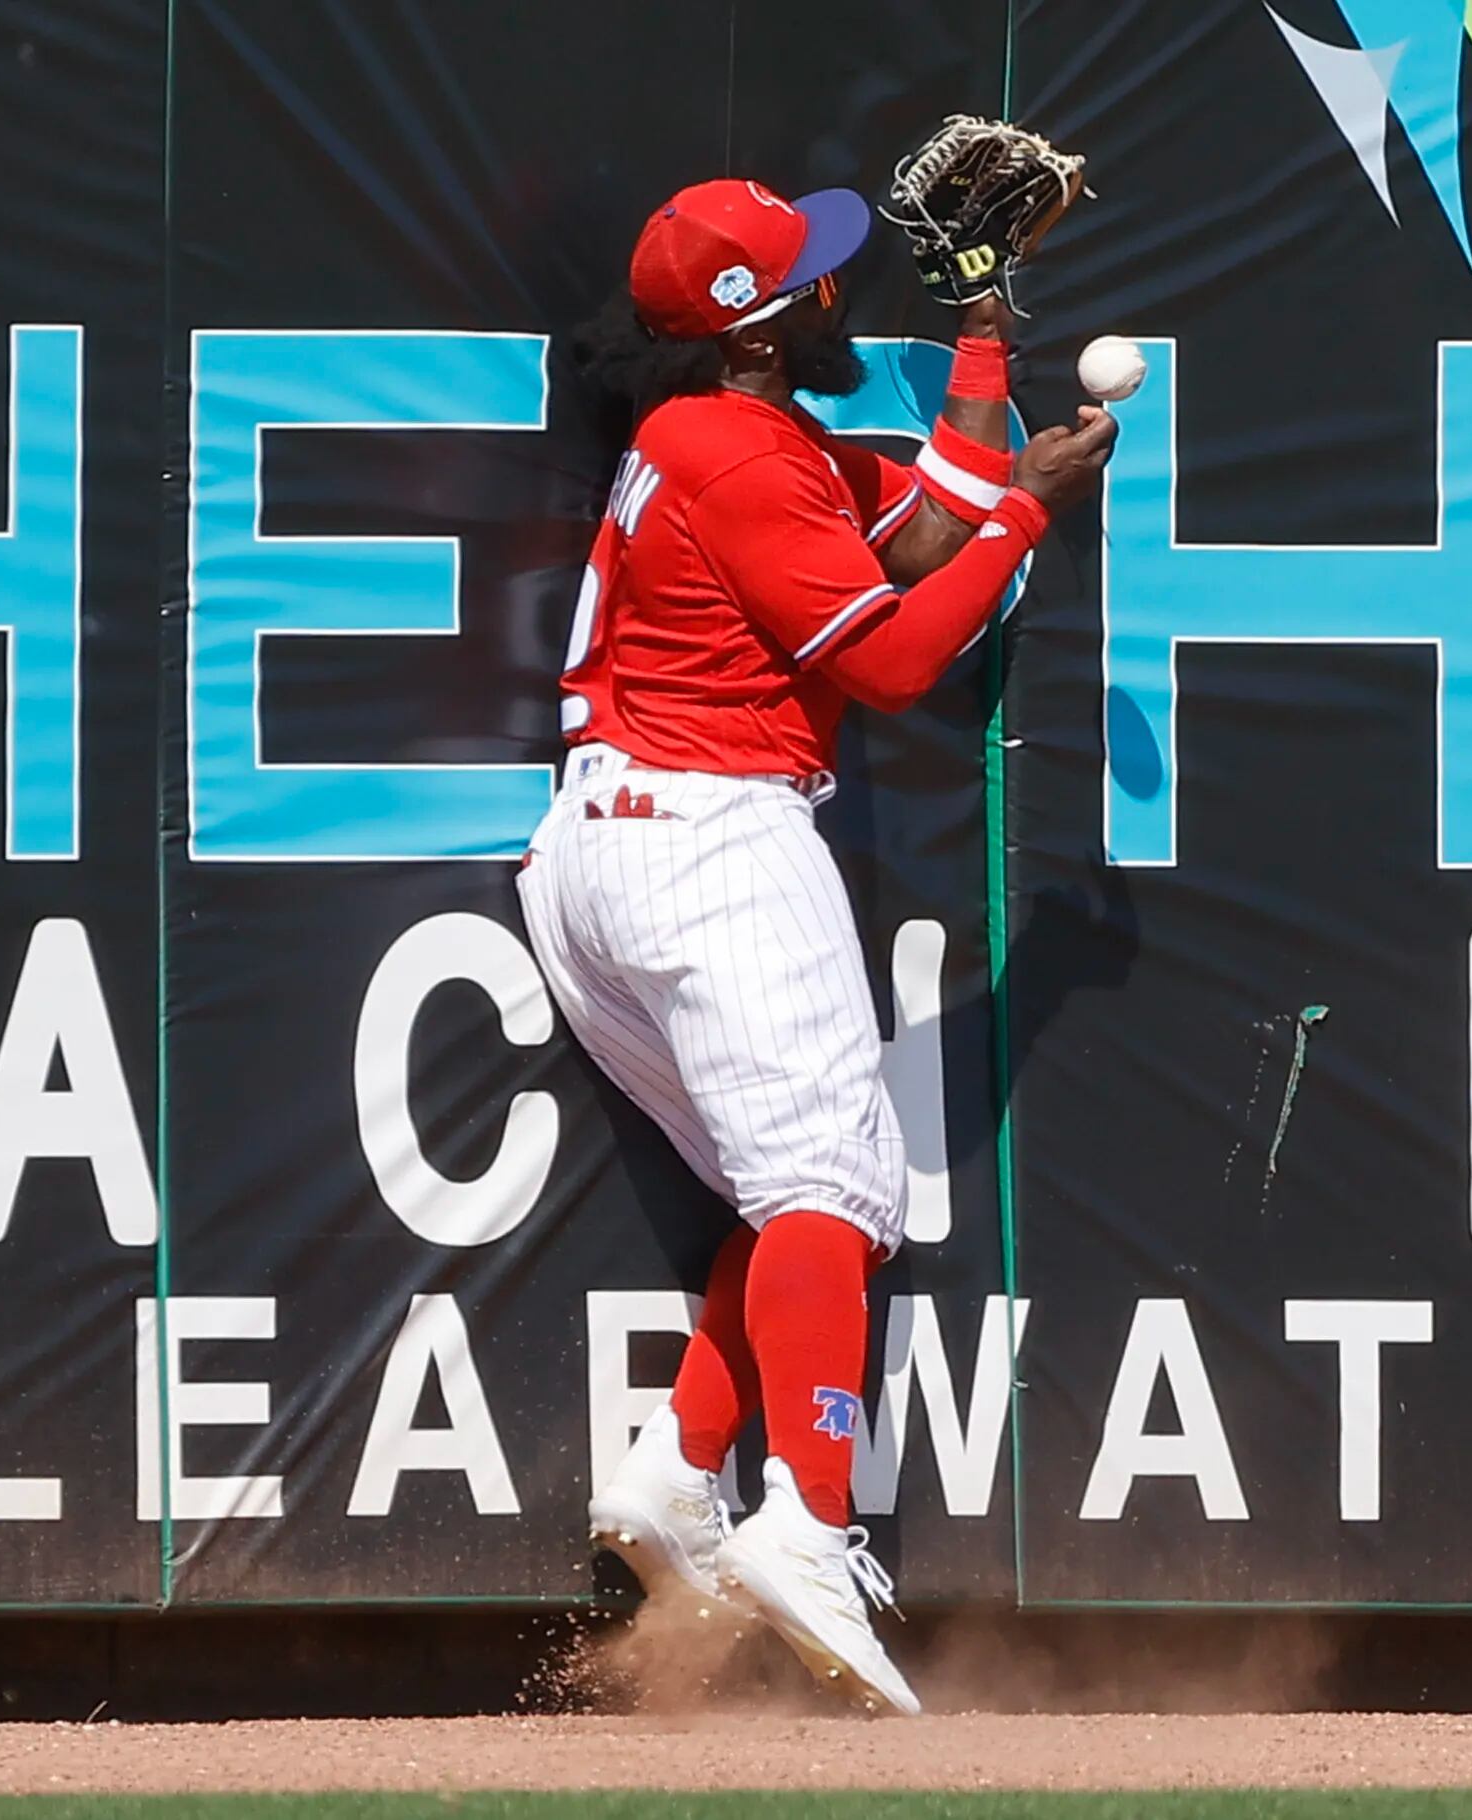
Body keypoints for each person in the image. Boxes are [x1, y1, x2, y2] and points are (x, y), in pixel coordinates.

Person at [517, 176, 1115, 1715]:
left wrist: (983, 344)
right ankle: (810, 1522)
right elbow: (908, 653)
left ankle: (677, 1472)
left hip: (601, 850)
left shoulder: (716, 439)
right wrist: (1037, 505)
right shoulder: (738, 459)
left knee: (790, 1201)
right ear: (763, 325)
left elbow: (917, 527)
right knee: (832, 1197)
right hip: (711, 841)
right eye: (817, 279)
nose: (841, 292)